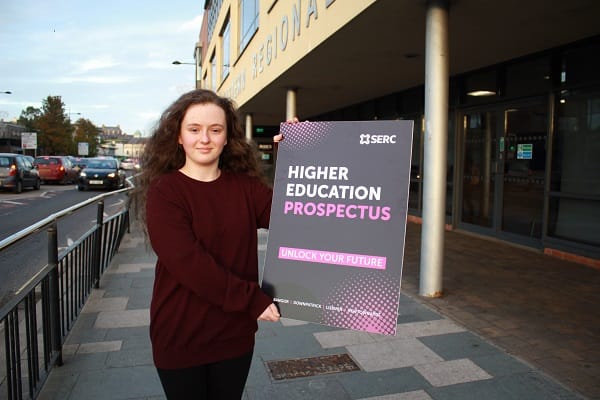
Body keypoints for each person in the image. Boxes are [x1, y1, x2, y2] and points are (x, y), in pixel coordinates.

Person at [134, 89, 285, 399]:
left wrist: (296, 156)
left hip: (234, 336)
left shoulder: (246, 188)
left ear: (227, 137)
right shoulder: (165, 193)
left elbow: (290, 216)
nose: (205, 138)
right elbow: (190, 264)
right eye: (194, 129)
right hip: (180, 336)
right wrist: (252, 300)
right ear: (178, 136)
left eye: (215, 130)